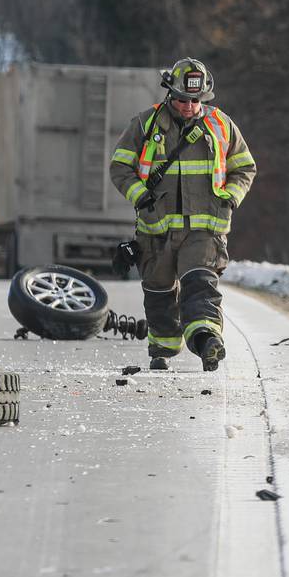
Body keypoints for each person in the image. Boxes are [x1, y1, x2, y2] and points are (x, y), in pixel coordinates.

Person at [109, 58, 256, 372]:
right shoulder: (146, 124)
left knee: (200, 286)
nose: (189, 106)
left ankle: (207, 343)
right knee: (158, 292)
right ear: (169, 93)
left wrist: (231, 197)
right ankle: (163, 346)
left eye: (195, 100)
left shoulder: (221, 125)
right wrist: (141, 196)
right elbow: (120, 167)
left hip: (205, 229)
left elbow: (244, 167)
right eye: (182, 99)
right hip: (155, 230)